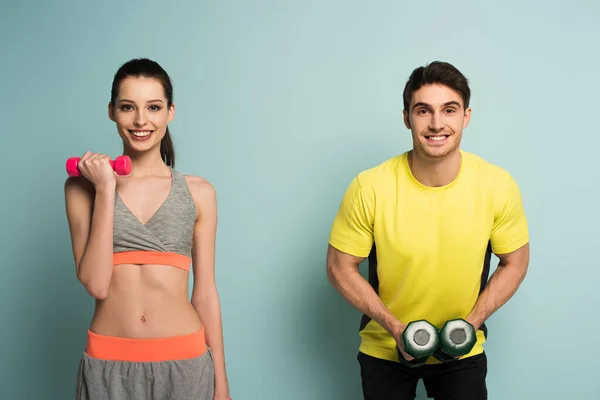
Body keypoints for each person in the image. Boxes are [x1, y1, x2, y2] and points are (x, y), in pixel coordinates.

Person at [326, 61, 530, 399]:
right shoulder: (370, 186)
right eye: (424, 111)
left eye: (449, 110)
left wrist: (472, 322)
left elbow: (516, 261)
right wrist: (394, 327)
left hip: (462, 347)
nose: (437, 123)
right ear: (407, 117)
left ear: (465, 116)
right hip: (385, 350)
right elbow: (338, 268)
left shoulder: (497, 185)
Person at [65, 58, 232, 400]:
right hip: (108, 365)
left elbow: (205, 294)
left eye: (153, 107)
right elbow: (97, 284)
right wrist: (106, 189)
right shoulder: (82, 189)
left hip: (185, 363)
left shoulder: (199, 192)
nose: (141, 120)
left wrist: (222, 385)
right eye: (128, 107)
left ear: (170, 112)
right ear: (112, 111)